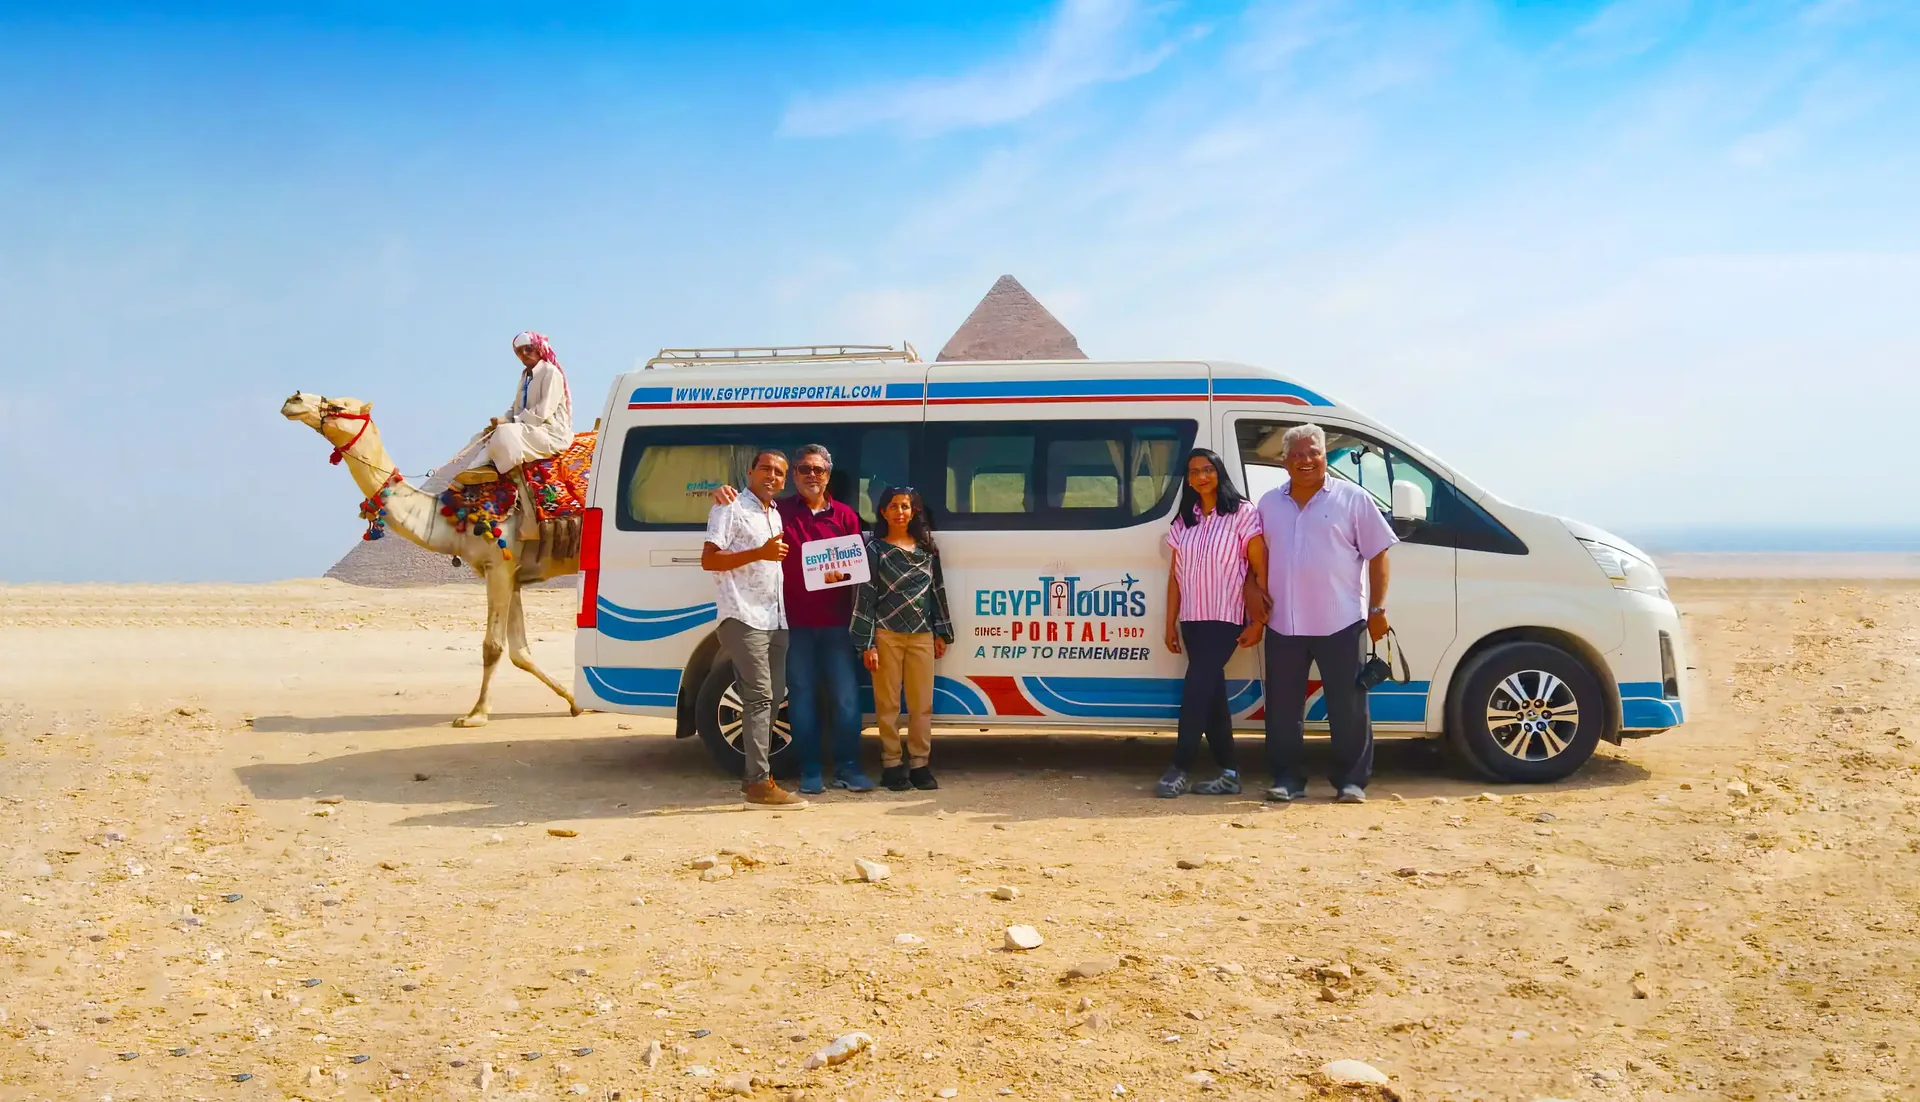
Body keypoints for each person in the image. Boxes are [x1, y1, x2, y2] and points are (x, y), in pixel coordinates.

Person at [712, 445, 875, 795]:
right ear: (795, 477)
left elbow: (855, 570)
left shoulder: (847, 516)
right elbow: (740, 515)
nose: (811, 475)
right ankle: (810, 770)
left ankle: (848, 767)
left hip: (836, 624)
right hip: (791, 623)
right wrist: (722, 491)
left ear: (828, 475)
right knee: (800, 698)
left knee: (846, 697)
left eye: (818, 469)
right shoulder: (778, 511)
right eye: (803, 469)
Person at [1256, 424, 1396, 804]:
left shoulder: (1353, 499)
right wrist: (1254, 593)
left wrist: (1378, 608)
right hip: (1284, 622)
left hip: (1341, 622)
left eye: (1313, 453)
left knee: (1348, 706)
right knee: (1283, 709)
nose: (1305, 460)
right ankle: (1287, 778)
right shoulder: (1268, 503)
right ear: (1284, 461)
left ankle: (1351, 781)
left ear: (1324, 456)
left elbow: (1379, 553)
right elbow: (1257, 555)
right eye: (1297, 454)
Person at [1157, 449, 1268, 798]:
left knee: (1195, 690)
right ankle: (1229, 772)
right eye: (1194, 472)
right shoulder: (1184, 521)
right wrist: (1169, 623)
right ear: (1188, 480)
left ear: (1219, 472)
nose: (1201, 477)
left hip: (1226, 619)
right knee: (1211, 695)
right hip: (1192, 619)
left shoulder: (1243, 514)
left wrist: (1259, 621)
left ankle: (1179, 767)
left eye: (1207, 469)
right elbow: (1175, 577)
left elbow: (1260, 570)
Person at [700, 449, 808, 809]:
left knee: (774, 696)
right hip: (742, 616)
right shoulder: (729, 507)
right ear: (750, 472)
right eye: (766, 469)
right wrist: (758, 554)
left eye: (779, 473)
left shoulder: (776, 513)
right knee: (760, 696)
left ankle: (758, 777)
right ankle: (758, 784)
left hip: (775, 618)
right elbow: (709, 559)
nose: (773, 477)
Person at [851, 487, 953, 792]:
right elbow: (865, 597)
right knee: (888, 704)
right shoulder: (876, 550)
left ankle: (920, 764)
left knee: (922, 705)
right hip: (886, 635)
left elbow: (937, 592)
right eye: (893, 506)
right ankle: (892, 764)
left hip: (922, 635)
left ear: (914, 512)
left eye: (905, 507)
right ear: (883, 512)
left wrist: (942, 632)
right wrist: (866, 643)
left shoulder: (926, 550)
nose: (899, 512)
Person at [425, 332, 574, 494]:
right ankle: (460, 476)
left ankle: (481, 469)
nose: (524, 354)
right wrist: (501, 420)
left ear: (539, 349)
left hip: (549, 431)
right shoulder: (526, 377)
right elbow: (516, 408)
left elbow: (542, 412)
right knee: (480, 437)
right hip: (527, 427)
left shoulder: (550, 373)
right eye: (519, 351)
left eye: (528, 349)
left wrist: (510, 423)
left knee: (505, 433)